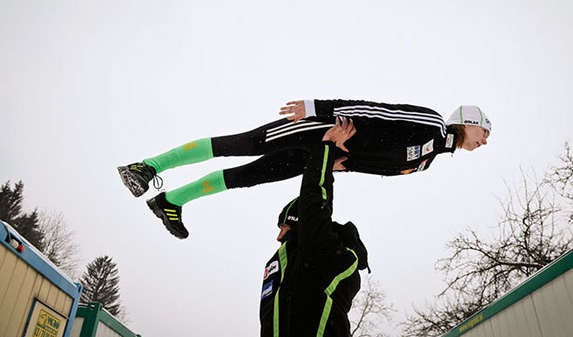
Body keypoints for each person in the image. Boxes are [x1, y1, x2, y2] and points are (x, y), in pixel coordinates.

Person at [118, 99, 492, 238]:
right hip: (321, 128)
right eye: (484, 130)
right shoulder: (432, 123)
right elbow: (377, 111)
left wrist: (340, 165)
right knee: (240, 145)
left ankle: (171, 201)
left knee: (248, 177)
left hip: (323, 153)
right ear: (467, 121)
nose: (485, 140)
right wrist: (318, 109)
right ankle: (147, 166)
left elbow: (374, 165)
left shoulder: (425, 162)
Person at [260, 118, 369, 337]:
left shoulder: (323, 254)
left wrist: (326, 147)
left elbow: (313, 203)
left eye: (284, 226)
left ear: (300, 223)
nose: (279, 235)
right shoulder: (287, 260)